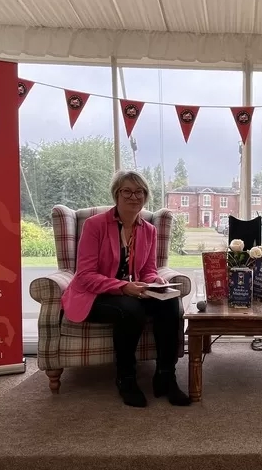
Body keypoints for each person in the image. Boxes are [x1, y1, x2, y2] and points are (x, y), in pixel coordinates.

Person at [61, 170, 190, 408]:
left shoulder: (149, 230)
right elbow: (86, 275)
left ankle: (165, 376)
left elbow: (149, 269)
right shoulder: (94, 225)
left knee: (171, 303)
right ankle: (126, 378)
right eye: (127, 191)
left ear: (145, 196)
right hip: (93, 295)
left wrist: (156, 282)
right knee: (130, 309)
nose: (134, 196)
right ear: (116, 195)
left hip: (132, 290)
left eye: (139, 191)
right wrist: (124, 287)